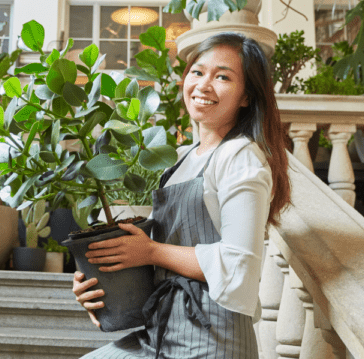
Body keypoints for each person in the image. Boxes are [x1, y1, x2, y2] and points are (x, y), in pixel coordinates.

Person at [72, 32, 292, 358]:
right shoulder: (182, 159)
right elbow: (155, 255)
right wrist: (98, 286)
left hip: (212, 338)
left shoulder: (240, 156)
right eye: (198, 72)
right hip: (161, 331)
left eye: (223, 77)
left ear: (246, 96)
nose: (204, 85)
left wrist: (151, 252)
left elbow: (238, 262)